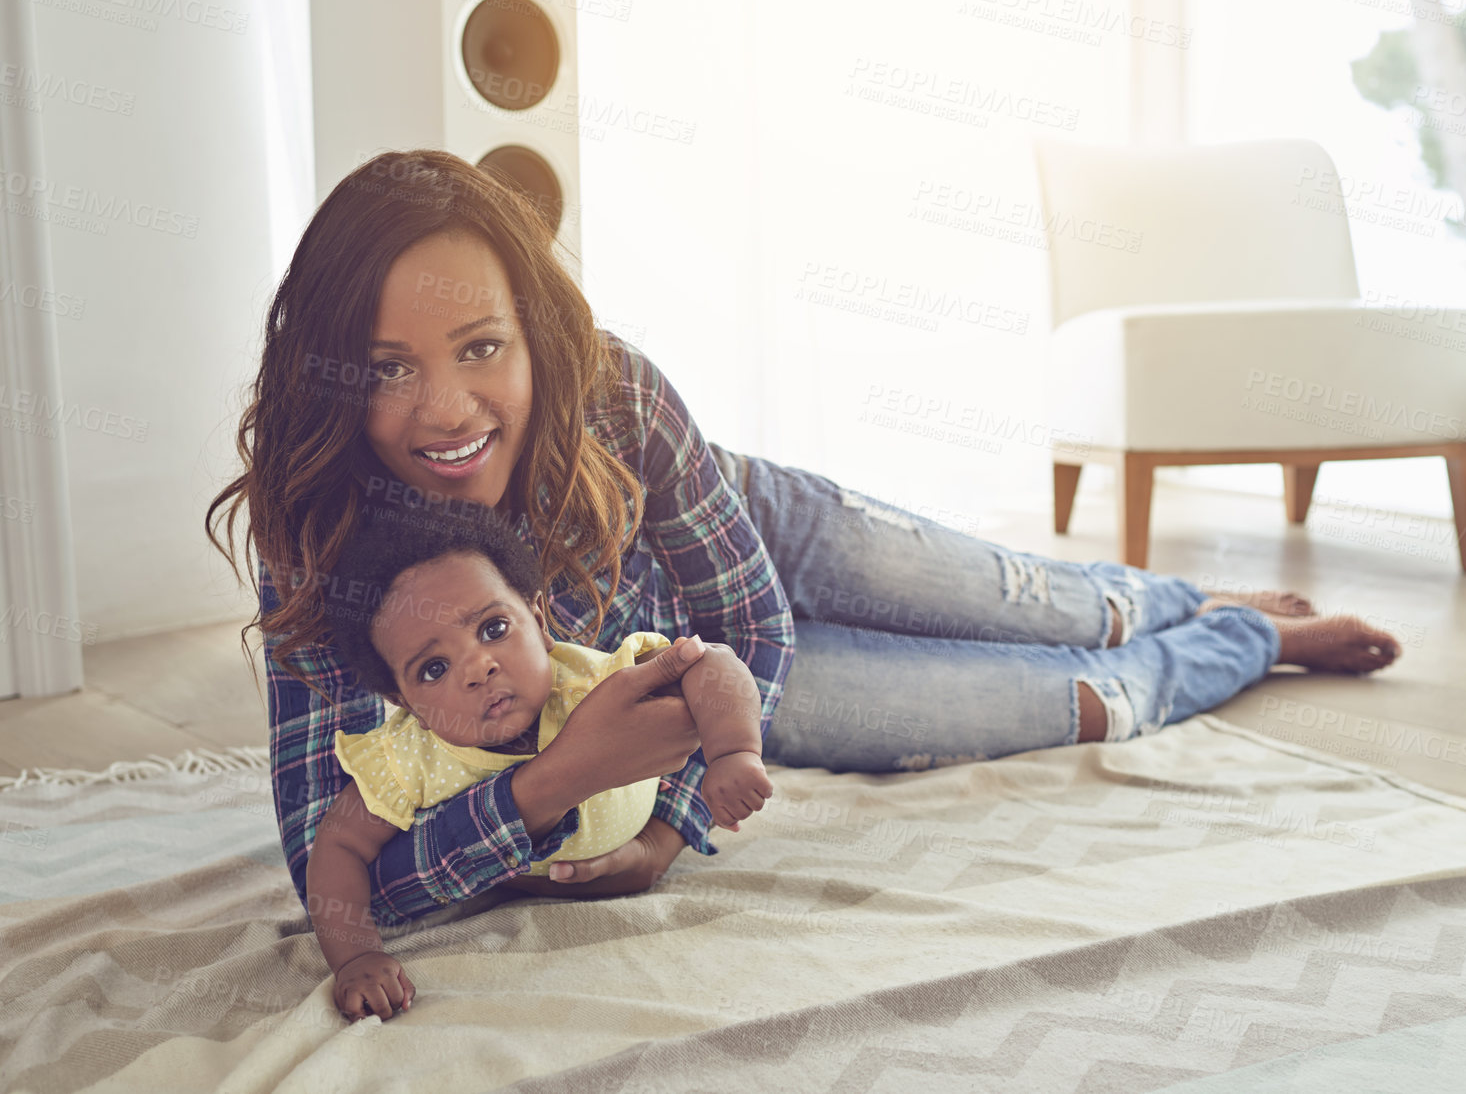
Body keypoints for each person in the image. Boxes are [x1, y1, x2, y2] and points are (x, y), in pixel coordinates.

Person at [204, 149, 1400, 935]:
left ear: (533, 335)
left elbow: (751, 618)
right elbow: (330, 859)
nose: (448, 411)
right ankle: (1245, 636)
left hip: (747, 546)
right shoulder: (316, 525)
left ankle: (1182, 590)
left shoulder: (609, 391)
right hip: (685, 675)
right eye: (385, 369)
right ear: (327, 376)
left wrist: (675, 816)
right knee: (1077, 698)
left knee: (1046, 601)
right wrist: (560, 782)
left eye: (479, 347)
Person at [304, 498, 767, 1021]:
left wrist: (732, 749)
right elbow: (336, 844)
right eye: (434, 668)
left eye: (493, 629)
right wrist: (356, 954)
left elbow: (715, 663)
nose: (478, 667)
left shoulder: (594, 681)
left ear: (538, 617)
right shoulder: (412, 757)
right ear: (407, 705)